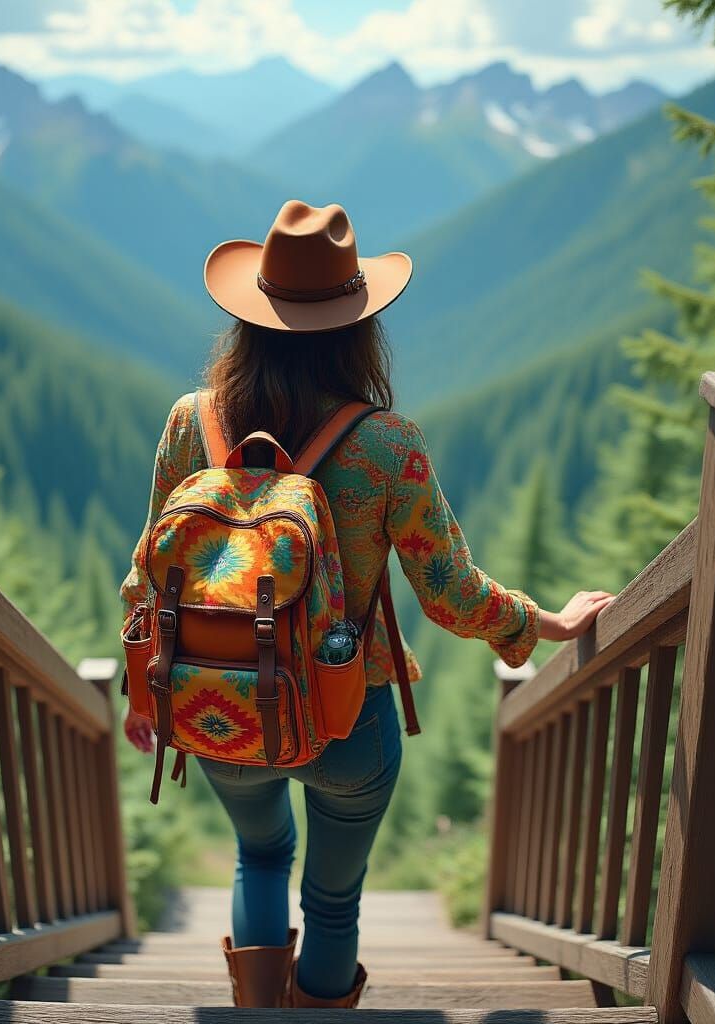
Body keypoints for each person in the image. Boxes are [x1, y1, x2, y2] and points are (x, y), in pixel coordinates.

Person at [120, 199, 614, 1009]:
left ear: (250, 318)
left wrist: (144, 687)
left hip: (217, 704)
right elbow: (452, 595)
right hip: (349, 716)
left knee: (260, 858)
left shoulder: (192, 423)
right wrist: (544, 624)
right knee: (333, 900)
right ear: (359, 329)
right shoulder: (388, 445)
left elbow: (148, 572)